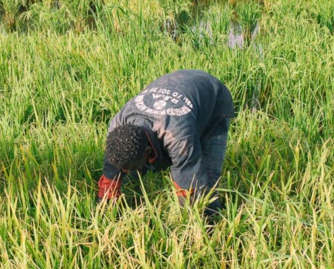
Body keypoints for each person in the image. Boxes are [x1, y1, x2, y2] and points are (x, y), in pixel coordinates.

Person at [97, 70, 235, 216]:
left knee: (206, 182)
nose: (123, 171)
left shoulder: (177, 137)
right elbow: (111, 173)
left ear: (148, 151)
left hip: (212, 99)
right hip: (178, 86)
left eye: (126, 168)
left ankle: (213, 222)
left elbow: (189, 185)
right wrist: (105, 210)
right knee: (131, 173)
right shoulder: (118, 127)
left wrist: (187, 221)